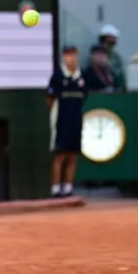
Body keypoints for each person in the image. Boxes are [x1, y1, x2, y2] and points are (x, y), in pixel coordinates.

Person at [46, 46, 87, 198]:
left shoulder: (82, 77)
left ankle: (68, 187)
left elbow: (84, 96)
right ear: (63, 57)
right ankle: (55, 188)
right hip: (60, 119)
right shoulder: (57, 77)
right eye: (68, 55)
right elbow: (49, 99)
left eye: (73, 55)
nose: (71, 58)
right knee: (59, 155)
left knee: (72, 155)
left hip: (76, 119)